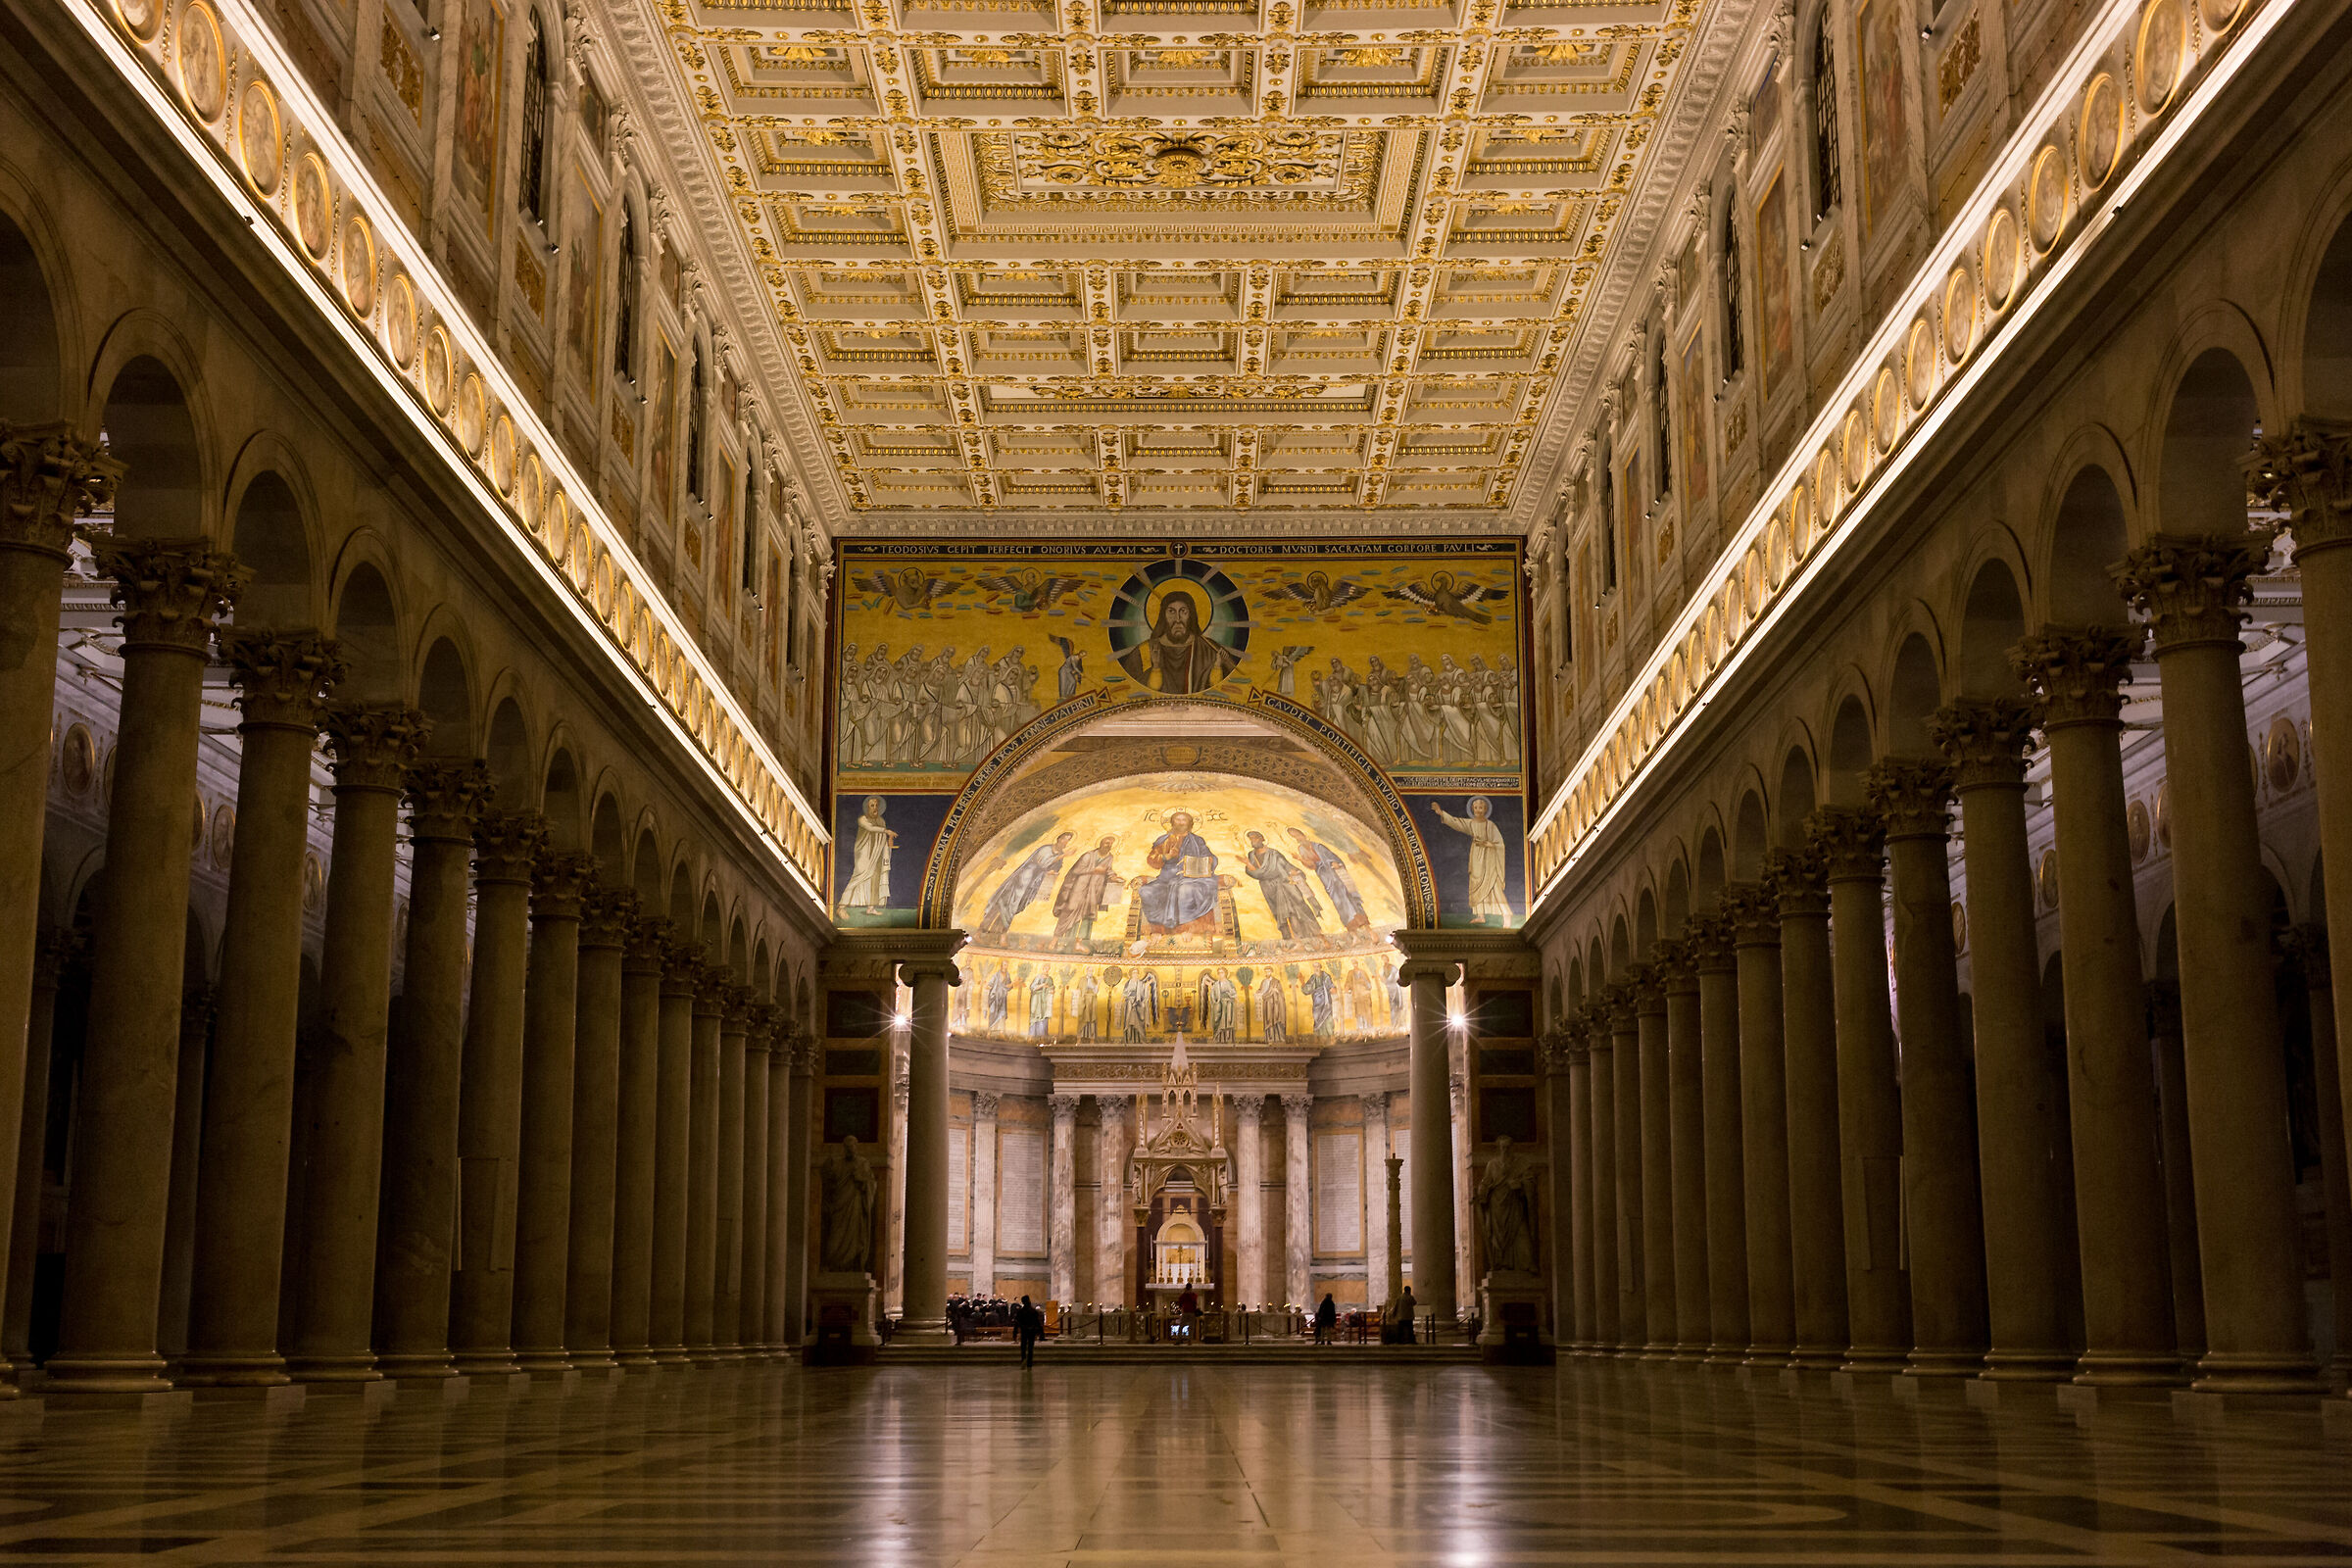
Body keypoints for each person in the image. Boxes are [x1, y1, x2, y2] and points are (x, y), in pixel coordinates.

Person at [1014, 1294, 1045, 1368]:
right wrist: (1041, 1333)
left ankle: (1023, 1359)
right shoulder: (1033, 1311)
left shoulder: (1020, 1311)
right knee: (1030, 1348)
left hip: (1024, 1330)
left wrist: (1014, 1333)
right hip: (1031, 1331)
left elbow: (1017, 1323)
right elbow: (1037, 1322)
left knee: (1023, 1347)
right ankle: (1029, 1363)